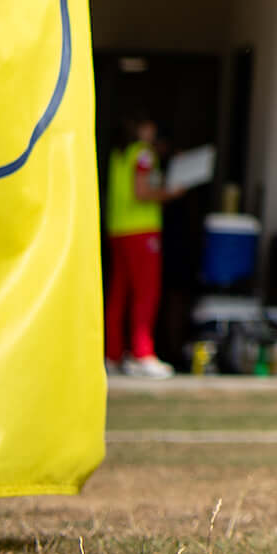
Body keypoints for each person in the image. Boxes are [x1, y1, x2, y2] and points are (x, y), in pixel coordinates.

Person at [104, 115, 173, 378]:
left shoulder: (120, 153)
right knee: (146, 293)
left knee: (118, 294)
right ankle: (142, 354)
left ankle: (112, 354)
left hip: (118, 228)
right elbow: (141, 192)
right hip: (141, 231)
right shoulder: (143, 154)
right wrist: (170, 193)